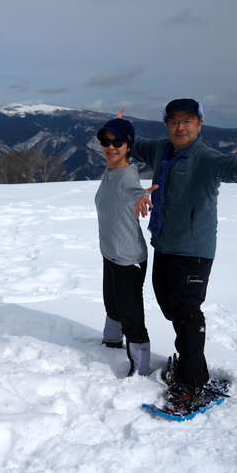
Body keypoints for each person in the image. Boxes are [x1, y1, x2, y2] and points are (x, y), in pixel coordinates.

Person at [132, 98, 237, 406]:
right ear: (167, 125)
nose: (180, 127)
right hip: (165, 245)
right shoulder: (161, 150)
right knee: (170, 307)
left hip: (194, 251)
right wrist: (117, 130)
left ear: (199, 124)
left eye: (187, 121)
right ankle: (188, 366)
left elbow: (229, 165)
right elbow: (134, 145)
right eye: (174, 121)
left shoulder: (205, 157)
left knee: (187, 313)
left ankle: (193, 383)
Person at [94, 115, 151, 377]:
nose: (110, 147)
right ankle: (112, 343)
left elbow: (136, 191)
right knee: (112, 304)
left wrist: (145, 197)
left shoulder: (128, 176)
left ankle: (140, 369)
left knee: (131, 314)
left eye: (117, 142)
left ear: (129, 146)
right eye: (106, 141)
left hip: (129, 258)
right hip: (111, 254)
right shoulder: (111, 170)